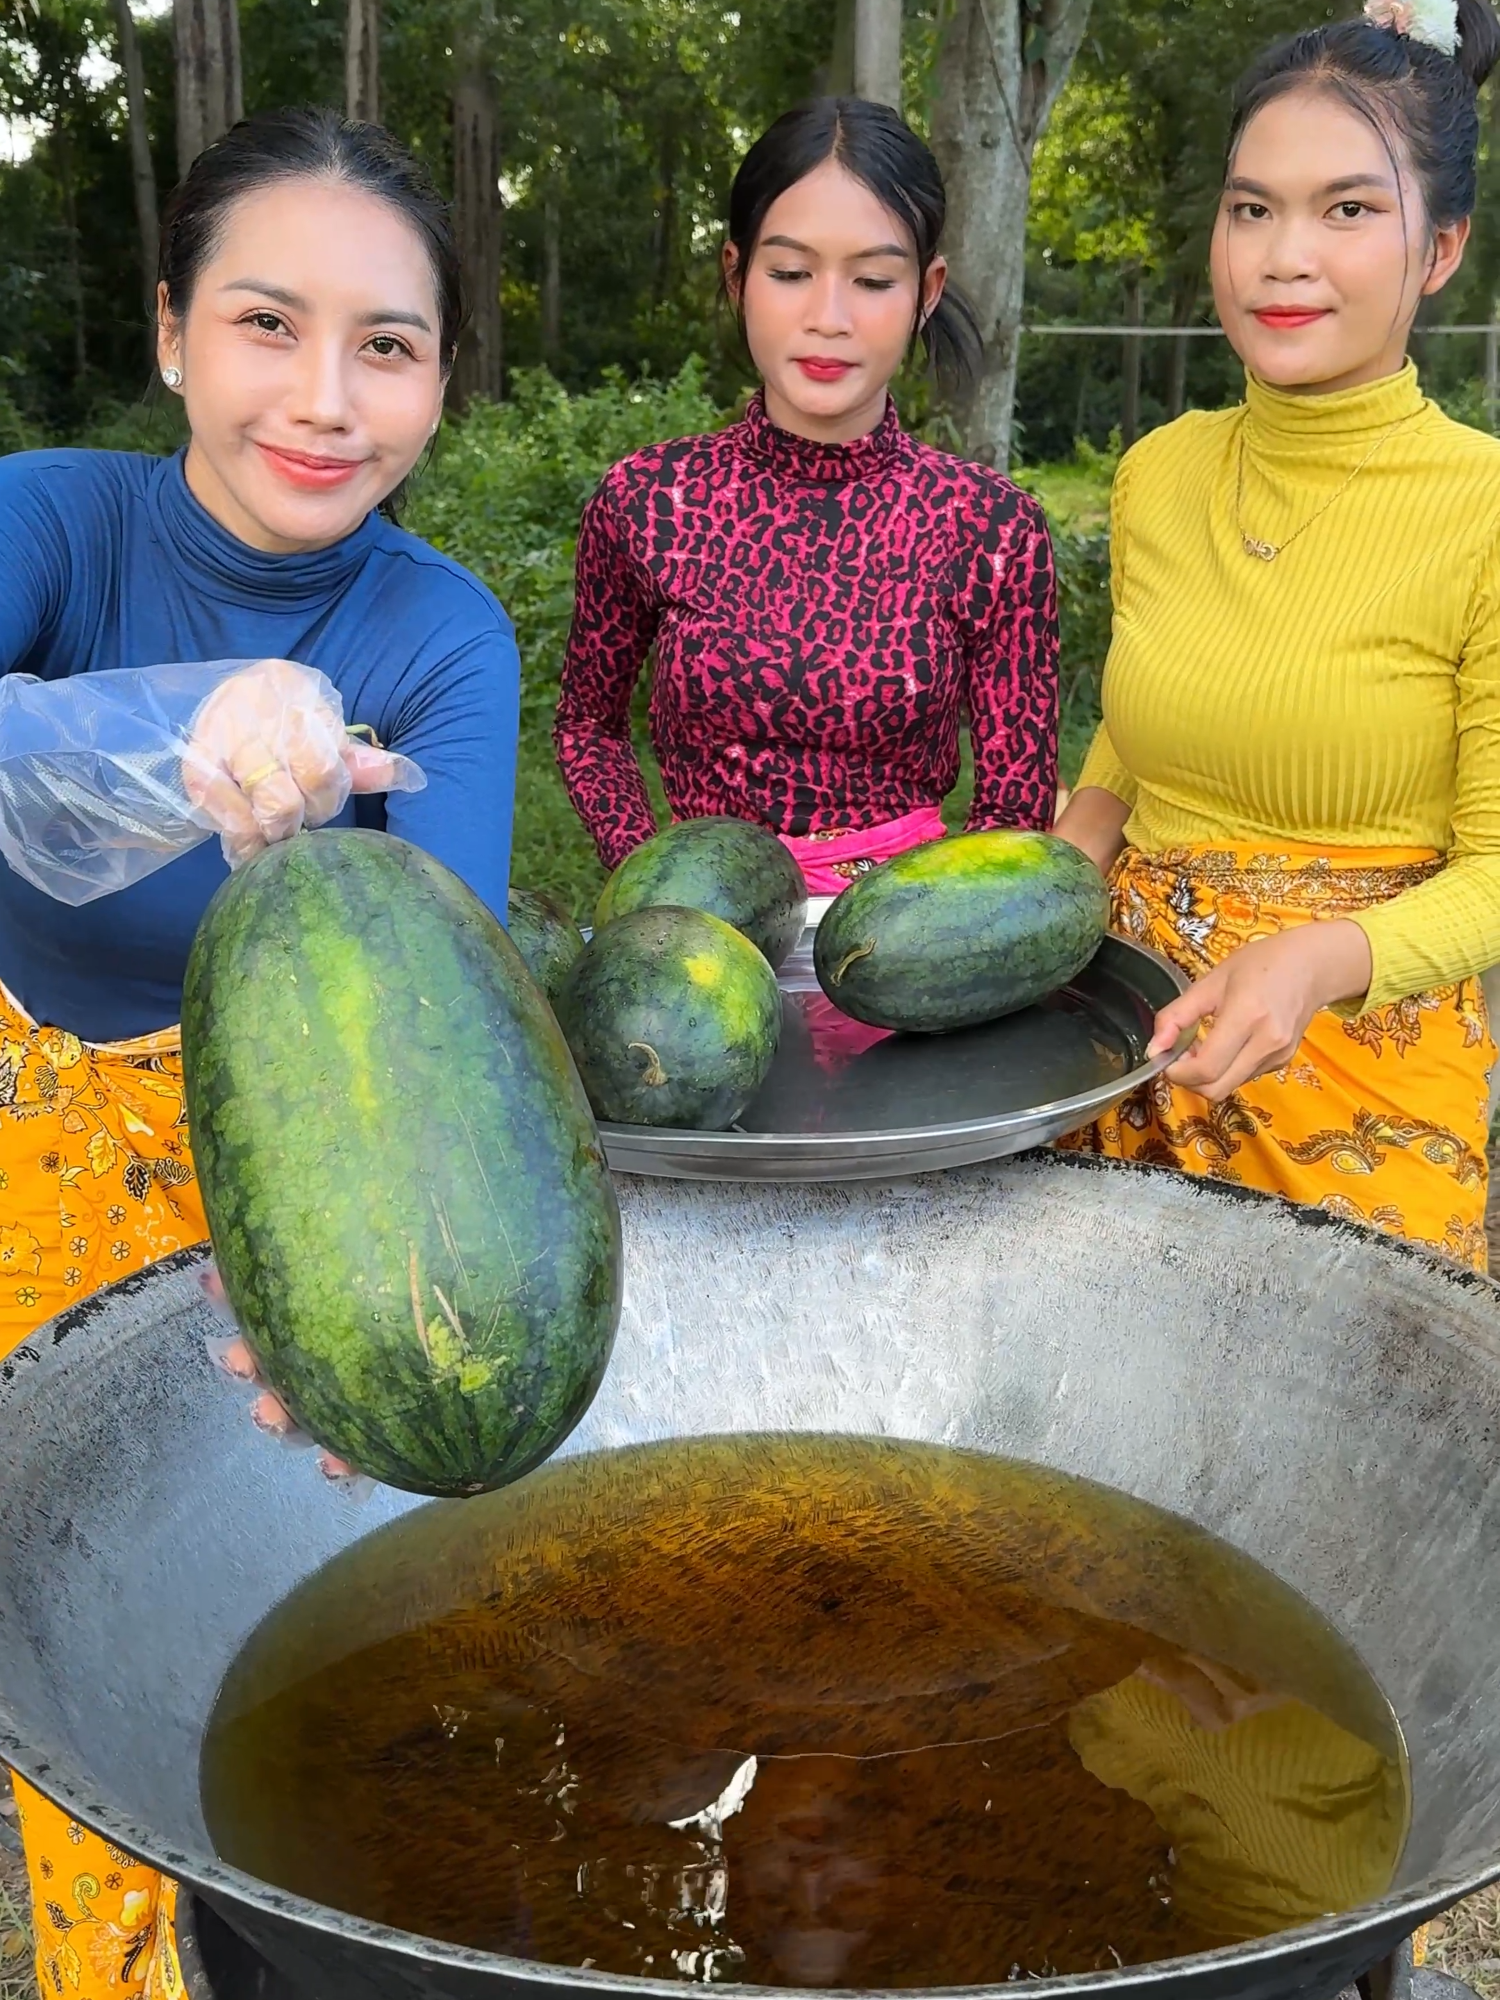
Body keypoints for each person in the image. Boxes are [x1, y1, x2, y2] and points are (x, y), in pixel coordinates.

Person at [0, 106, 520, 2000]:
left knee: (307, 1653)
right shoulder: (48, 519)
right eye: (264, 325)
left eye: (388, 344)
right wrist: (170, 723)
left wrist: (365, 1316)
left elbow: (438, 1019)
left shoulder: (445, 638)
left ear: (445, 382)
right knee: (74, 1665)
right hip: (27, 1151)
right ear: (168, 333)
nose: (325, 399)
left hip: (290, 1191)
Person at [1056, 0, 1500, 1277]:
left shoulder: (1480, 510)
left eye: (1347, 210)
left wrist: (1317, 959)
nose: (1280, 257)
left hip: (1366, 1080)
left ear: (1442, 249)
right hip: (1125, 1042)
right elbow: (1136, 733)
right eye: (1251, 208)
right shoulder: (1160, 473)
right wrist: (1060, 868)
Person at [553, 97, 1059, 900]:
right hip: (700, 940)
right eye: (789, 273)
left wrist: (944, 939)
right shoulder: (650, 501)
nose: (829, 317)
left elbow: (1013, 807)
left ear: (927, 290)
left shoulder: (991, 527)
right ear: (737, 275)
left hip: (909, 952)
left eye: (872, 279)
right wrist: (655, 876)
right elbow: (587, 727)